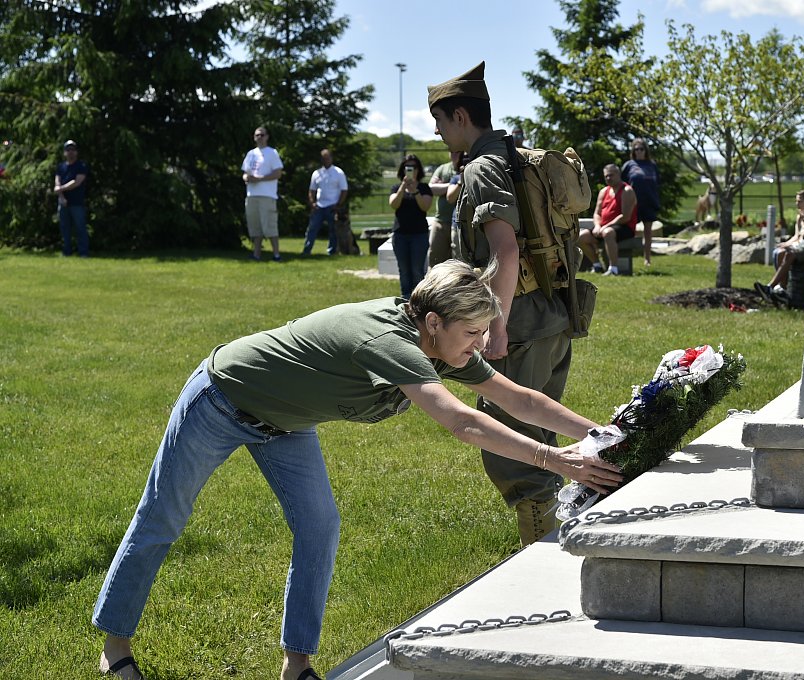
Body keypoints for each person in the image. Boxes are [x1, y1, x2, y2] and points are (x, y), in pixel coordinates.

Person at [92, 260, 623, 680]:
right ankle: (114, 645)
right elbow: (462, 422)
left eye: (486, 332)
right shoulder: (391, 341)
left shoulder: (442, 344)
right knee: (163, 515)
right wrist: (554, 460)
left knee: (319, 526)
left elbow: (519, 398)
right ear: (433, 322)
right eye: (474, 332)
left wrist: (604, 435)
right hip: (223, 400)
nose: (482, 345)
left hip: (286, 423)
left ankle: (296, 664)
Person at [428, 62, 580, 546]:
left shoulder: (481, 167)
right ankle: (562, 525)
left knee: (510, 443)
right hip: (551, 314)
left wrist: (495, 325)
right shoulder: (515, 156)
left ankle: (541, 544)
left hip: (521, 321)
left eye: (439, 121)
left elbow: (505, 250)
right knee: (538, 427)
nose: (436, 132)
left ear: (459, 117)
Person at [755, 187, 804, 302]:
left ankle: (774, 287)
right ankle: (777, 288)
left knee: (789, 254)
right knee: (785, 253)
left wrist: (802, 246)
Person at [578, 164, 637, 276]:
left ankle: (613, 269)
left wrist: (605, 227)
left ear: (618, 174)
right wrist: (597, 226)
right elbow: (597, 213)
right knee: (581, 237)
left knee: (608, 232)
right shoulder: (603, 191)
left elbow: (625, 217)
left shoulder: (627, 191)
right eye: (606, 176)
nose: (609, 178)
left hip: (625, 227)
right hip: (603, 228)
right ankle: (597, 266)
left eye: (611, 175)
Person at [388, 154, 433, 298]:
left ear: (419, 170)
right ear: (402, 170)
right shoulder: (396, 188)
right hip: (400, 235)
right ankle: (405, 299)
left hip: (419, 235)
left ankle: (419, 300)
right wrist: (403, 188)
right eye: (408, 167)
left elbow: (425, 206)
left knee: (417, 270)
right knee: (404, 270)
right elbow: (393, 204)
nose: (411, 170)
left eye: (414, 167)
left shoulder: (424, 188)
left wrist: (415, 191)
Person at [241, 126, 284, 262]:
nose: (259, 137)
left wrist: (260, 179)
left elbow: (278, 173)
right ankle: (256, 254)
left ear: (267, 137)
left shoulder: (272, 153)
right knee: (255, 227)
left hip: (267, 195)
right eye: (257, 135)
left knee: (270, 226)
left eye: (262, 135)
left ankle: (276, 255)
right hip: (251, 194)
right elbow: (245, 172)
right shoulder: (250, 154)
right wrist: (246, 178)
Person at [621, 139, 660, 266]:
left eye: (641, 149)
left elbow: (657, 183)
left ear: (645, 150)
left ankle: (647, 258)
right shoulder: (629, 165)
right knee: (627, 228)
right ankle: (623, 257)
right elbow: (622, 184)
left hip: (648, 202)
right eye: (636, 149)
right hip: (633, 203)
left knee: (648, 231)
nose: (639, 152)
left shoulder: (652, 165)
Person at [302, 149, 348, 256]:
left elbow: (344, 190)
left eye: (327, 158)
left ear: (331, 158)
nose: (326, 160)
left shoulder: (338, 173)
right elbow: (312, 190)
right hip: (319, 206)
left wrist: (338, 205)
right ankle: (306, 250)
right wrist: (312, 203)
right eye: (323, 158)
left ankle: (332, 251)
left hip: (332, 206)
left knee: (333, 231)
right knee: (312, 229)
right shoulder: (316, 173)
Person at [427, 150, 465, 267]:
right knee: (435, 260)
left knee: (459, 262)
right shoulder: (443, 168)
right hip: (441, 222)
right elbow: (431, 189)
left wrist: (442, 186)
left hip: (461, 224)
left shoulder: (467, 168)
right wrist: (452, 185)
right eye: (452, 151)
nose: (454, 154)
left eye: (458, 152)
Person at [54, 139, 89, 257]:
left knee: (80, 228)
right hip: (63, 202)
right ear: (64, 152)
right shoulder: (61, 167)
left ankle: (83, 252)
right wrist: (61, 196)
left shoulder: (81, 166)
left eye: (73, 150)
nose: (70, 152)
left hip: (77, 202)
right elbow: (57, 182)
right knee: (65, 229)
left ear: (76, 152)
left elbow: (76, 182)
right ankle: (66, 252)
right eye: (68, 150)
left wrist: (61, 189)